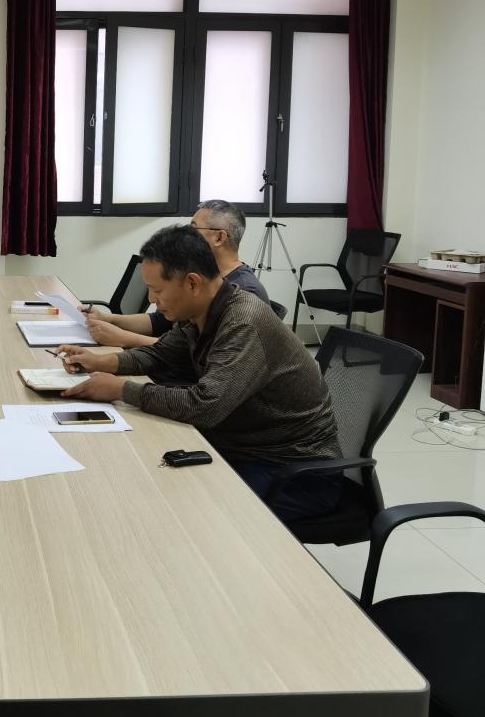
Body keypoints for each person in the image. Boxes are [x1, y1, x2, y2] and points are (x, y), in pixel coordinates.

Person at [61, 226, 345, 527]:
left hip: (293, 469)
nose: (152, 299)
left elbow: (206, 406)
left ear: (192, 283)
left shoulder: (242, 322)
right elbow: (161, 354)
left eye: (158, 290)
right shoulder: (200, 312)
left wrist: (121, 389)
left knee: (185, 517)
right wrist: (101, 362)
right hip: (243, 445)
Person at [86, 200, 270, 350]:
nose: (186, 237)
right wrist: (107, 319)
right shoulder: (198, 276)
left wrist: (123, 338)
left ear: (219, 238)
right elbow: (160, 322)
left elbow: (199, 354)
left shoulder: (244, 292)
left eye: (193, 230)